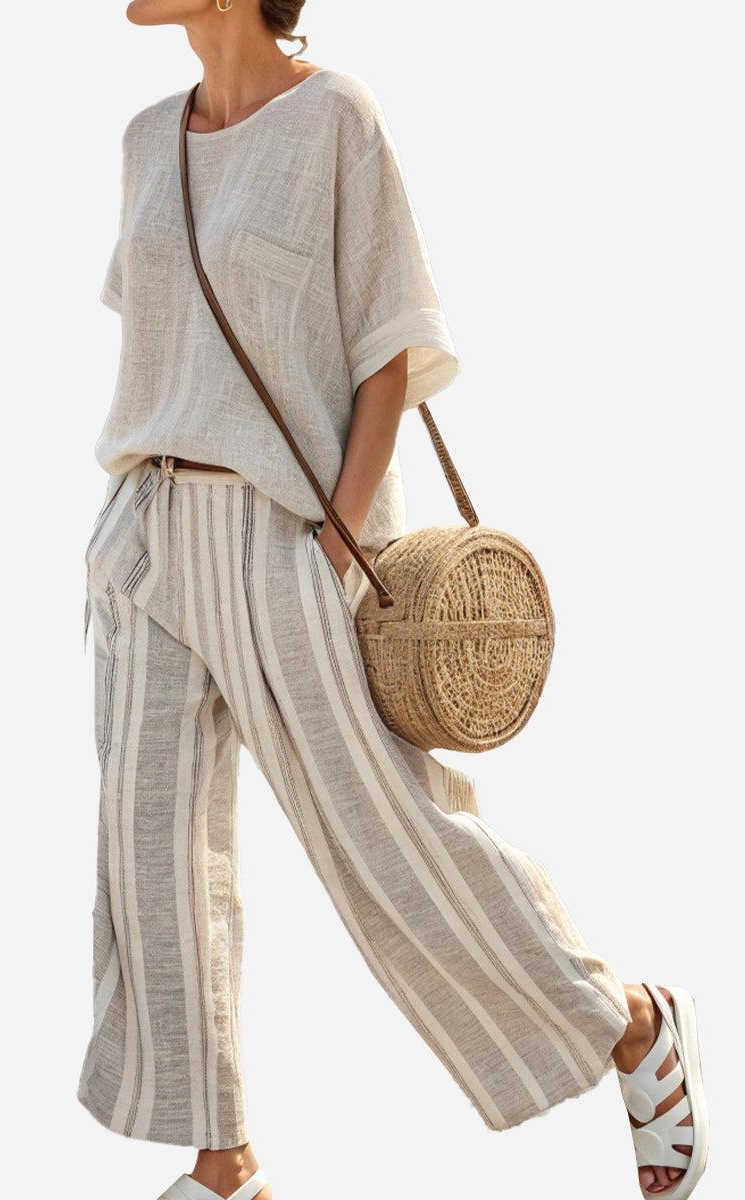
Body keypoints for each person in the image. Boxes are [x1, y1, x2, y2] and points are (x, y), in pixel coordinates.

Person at [78, 3, 708, 1198]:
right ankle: (224, 1163)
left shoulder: (336, 120)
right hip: (148, 531)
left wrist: (331, 539)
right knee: (151, 852)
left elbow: (388, 349)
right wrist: (122, 531)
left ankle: (625, 1021)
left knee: (386, 834)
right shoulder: (146, 137)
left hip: (280, 534)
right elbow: (165, 343)